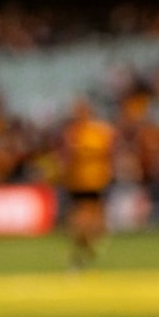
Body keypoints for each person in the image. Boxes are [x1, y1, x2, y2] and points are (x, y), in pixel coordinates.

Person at [58, 100, 116, 269]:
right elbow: (66, 156)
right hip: (78, 181)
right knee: (81, 216)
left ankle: (86, 246)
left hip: (94, 180)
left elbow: (106, 151)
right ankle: (85, 246)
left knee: (91, 215)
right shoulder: (74, 132)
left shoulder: (97, 132)